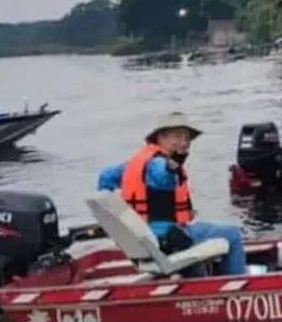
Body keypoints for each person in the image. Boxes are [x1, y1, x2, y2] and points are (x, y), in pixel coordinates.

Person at [97, 112, 247, 276]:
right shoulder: (159, 164)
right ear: (161, 137)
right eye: (177, 137)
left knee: (197, 240)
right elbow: (162, 177)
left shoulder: (135, 163)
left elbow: (106, 178)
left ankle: (199, 282)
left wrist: (113, 205)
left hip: (148, 240)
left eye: (186, 138)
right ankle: (239, 287)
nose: (184, 143)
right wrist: (170, 168)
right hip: (166, 238)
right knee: (232, 235)